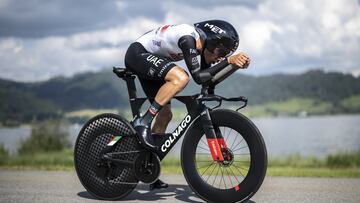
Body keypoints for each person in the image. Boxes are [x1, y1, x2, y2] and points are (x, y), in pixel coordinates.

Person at [124, 20, 250, 190]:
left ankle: (148, 169)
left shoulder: (203, 48)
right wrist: (228, 61)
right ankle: (143, 122)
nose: (221, 57)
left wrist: (233, 66)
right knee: (181, 77)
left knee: (165, 115)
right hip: (137, 54)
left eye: (226, 54)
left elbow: (208, 81)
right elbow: (197, 77)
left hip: (152, 61)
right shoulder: (188, 37)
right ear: (211, 41)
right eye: (222, 51)